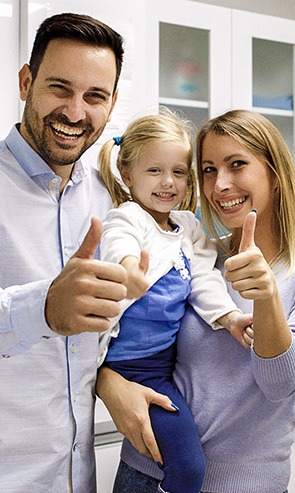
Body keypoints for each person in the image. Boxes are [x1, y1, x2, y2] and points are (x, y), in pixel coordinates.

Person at [96, 109, 295, 493]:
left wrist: (266, 296)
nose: (220, 184)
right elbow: (139, 345)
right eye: (207, 169)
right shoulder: (195, 252)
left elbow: (280, 384)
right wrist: (107, 382)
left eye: (237, 165)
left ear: (274, 170)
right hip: (142, 471)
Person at [0, 13, 175, 493]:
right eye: (60, 88)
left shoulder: (113, 200)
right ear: (25, 82)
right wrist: (43, 309)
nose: (76, 112)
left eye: (95, 96)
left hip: (78, 478)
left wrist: (108, 380)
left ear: (112, 103)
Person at [97, 110, 253, 493]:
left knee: (185, 464)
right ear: (126, 171)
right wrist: (129, 270)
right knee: (188, 467)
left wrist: (231, 317)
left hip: (162, 369)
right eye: (154, 171)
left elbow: (204, 278)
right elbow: (120, 244)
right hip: (129, 369)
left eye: (179, 172)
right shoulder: (128, 216)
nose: (168, 183)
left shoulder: (188, 227)